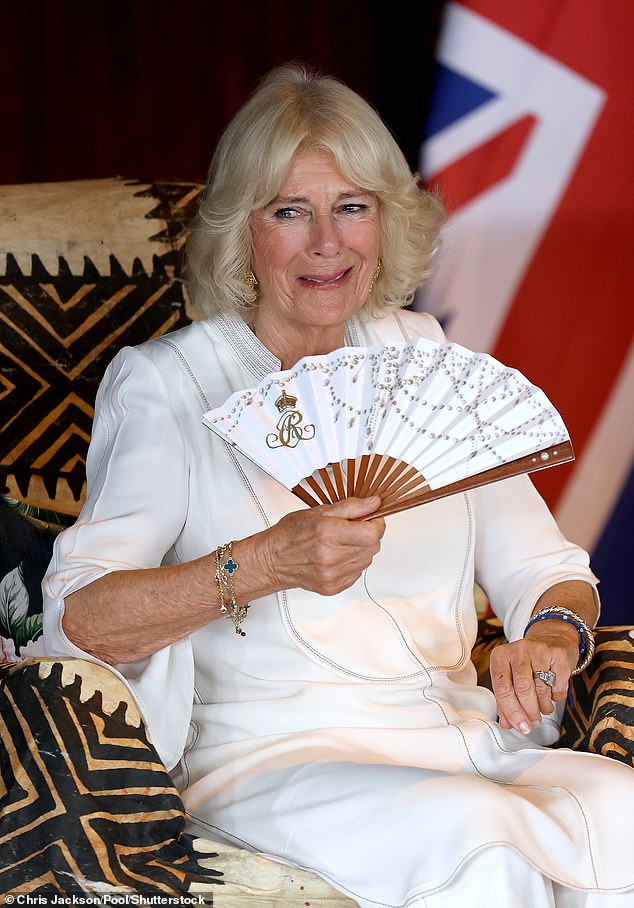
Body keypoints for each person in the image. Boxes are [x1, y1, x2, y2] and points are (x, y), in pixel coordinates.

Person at [43, 64, 634, 908]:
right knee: (476, 844)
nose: (328, 241)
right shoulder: (167, 386)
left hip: (464, 737)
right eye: (291, 211)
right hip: (274, 758)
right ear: (244, 232)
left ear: (386, 222)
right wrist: (262, 563)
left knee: (625, 814)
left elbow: (550, 571)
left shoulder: (427, 362)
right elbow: (82, 618)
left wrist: (550, 637)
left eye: (352, 206)